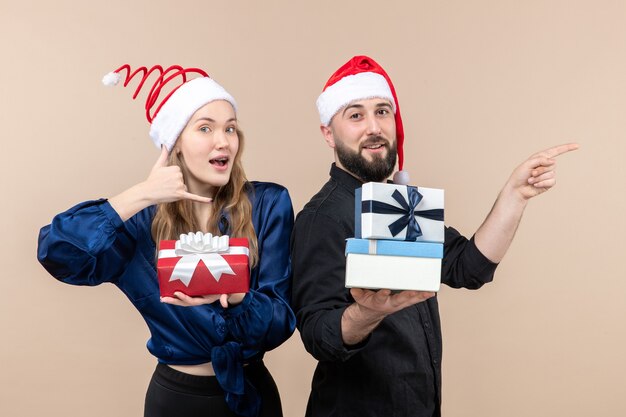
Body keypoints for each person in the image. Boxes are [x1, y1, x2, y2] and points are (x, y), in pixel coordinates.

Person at [290, 55, 578, 417]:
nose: (374, 127)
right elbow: (318, 334)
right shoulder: (322, 217)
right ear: (328, 133)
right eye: (355, 115)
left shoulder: (400, 205)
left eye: (382, 112)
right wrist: (366, 313)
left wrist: (514, 195)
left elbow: (467, 267)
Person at [37, 64, 295, 417]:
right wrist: (139, 195)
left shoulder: (268, 204)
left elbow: (280, 322)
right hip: (177, 400)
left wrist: (236, 297)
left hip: (253, 396)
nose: (223, 141)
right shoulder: (141, 222)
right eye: (205, 128)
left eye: (230, 129)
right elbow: (58, 253)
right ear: (173, 144)